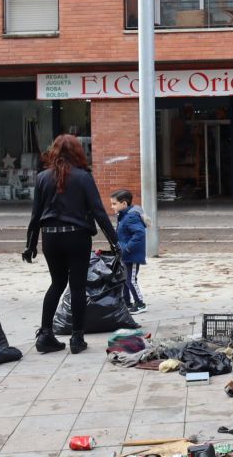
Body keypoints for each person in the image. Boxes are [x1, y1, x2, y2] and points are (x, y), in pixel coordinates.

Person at [24, 134, 118, 355]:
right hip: (77, 236)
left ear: (54, 151)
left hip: (50, 237)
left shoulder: (42, 178)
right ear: (77, 152)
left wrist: (30, 245)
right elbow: (98, 212)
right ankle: (77, 338)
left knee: (56, 283)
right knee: (77, 287)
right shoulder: (83, 177)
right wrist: (115, 242)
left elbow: (35, 215)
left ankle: (45, 334)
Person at [109, 189, 147, 314]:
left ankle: (140, 303)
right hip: (125, 254)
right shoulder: (123, 216)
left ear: (124, 204)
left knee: (131, 280)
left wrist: (127, 248)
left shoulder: (131, 217)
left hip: (132, 255)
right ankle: (126, 302)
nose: (112, 206)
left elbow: (139, 233)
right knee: (125, 279)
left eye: (114, 204)